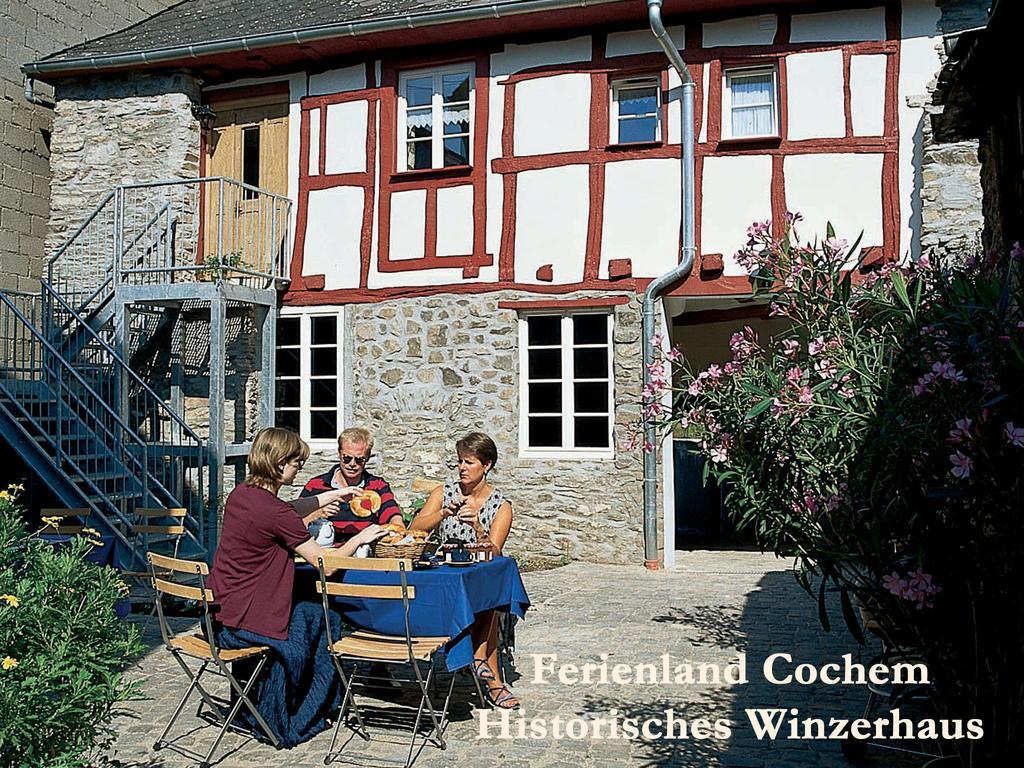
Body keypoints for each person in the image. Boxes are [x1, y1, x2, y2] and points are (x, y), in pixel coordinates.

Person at [207, 427, 385, 747]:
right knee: (323, 618)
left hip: (220, 615)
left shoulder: (243, 495)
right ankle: (302, 707)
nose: (299, 467)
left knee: (311, 611)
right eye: (295, 462)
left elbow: (290, 510)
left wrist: (334, 495)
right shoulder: (274, 512)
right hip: (249, 622)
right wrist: (360, 538)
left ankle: (264, 699)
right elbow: (325, 565)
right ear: (278, 464)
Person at [409, 431, 518, 709]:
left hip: (476, 578)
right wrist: (444, 513)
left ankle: (484, 666)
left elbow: (494, 551)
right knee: (488, 600)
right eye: (459, 462)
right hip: (445, 578)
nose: (462, 468)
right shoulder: (444, 493)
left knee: (488, 595)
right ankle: (491, 678)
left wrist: (478, 528)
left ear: (487, 465)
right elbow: (414, 529)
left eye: (469, 462)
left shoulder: (501, 505)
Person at [299, 426, 403, 541]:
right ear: (339, 454)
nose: (352, 464)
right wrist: (317, 514)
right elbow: (294, 524)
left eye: (359, 460)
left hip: (364, 553)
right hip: (322, 552)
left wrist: (398, 528)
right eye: (347, 458)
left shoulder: (378, 486)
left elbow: (393, 516)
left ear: (367, 458)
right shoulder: (316, 485)